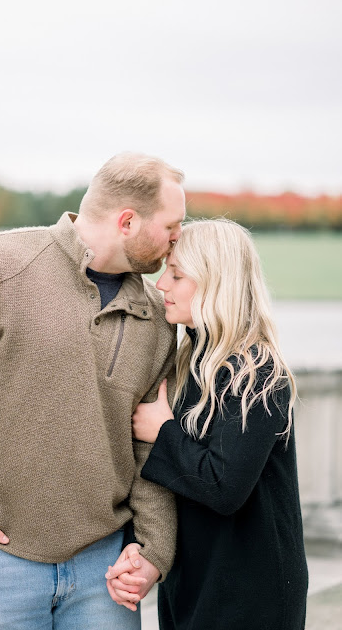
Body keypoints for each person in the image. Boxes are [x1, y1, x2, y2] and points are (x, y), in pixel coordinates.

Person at [0, 152, 186, 629]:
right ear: (127, 221)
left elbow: (150, 448)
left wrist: (153, 549)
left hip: (106, 571)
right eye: (171, 224)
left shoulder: (156, 319)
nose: (177, 238)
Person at [106, 219, 308, 629]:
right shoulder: (187, 365)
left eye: (177, 275)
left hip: (253, 593)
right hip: (192, 581)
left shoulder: (258, 374)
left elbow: (224, 487)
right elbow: (169, 486)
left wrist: (162, 431)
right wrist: (138, 549)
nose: (161, 285)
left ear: (218, 284)